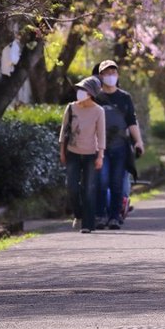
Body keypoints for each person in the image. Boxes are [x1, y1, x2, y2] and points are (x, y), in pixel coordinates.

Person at [93, 60, 144, 230]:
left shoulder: (124, 97)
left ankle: (115, 217)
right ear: (101, 76)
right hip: (100, 147)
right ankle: (100, 216)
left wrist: (138, 141)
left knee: (116, 183)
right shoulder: (96, 98)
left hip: (120, 146)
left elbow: (131, 121)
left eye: (113, 72)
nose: (110, 76)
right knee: (101, 181)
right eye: (107, 73)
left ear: (117, 75)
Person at [60, 76, 106, 233]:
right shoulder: (71, 108)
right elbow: (64, 132)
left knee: (89, 189)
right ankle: (78, 214)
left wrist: (100, 156)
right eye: (79, 89)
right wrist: (62, 152)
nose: (80, 92)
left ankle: (88, 224)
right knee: (72, 187)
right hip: (72, 152)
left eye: (84, 90)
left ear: (91, 93)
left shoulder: (99, 111)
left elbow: (101, 135)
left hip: (90, 154)